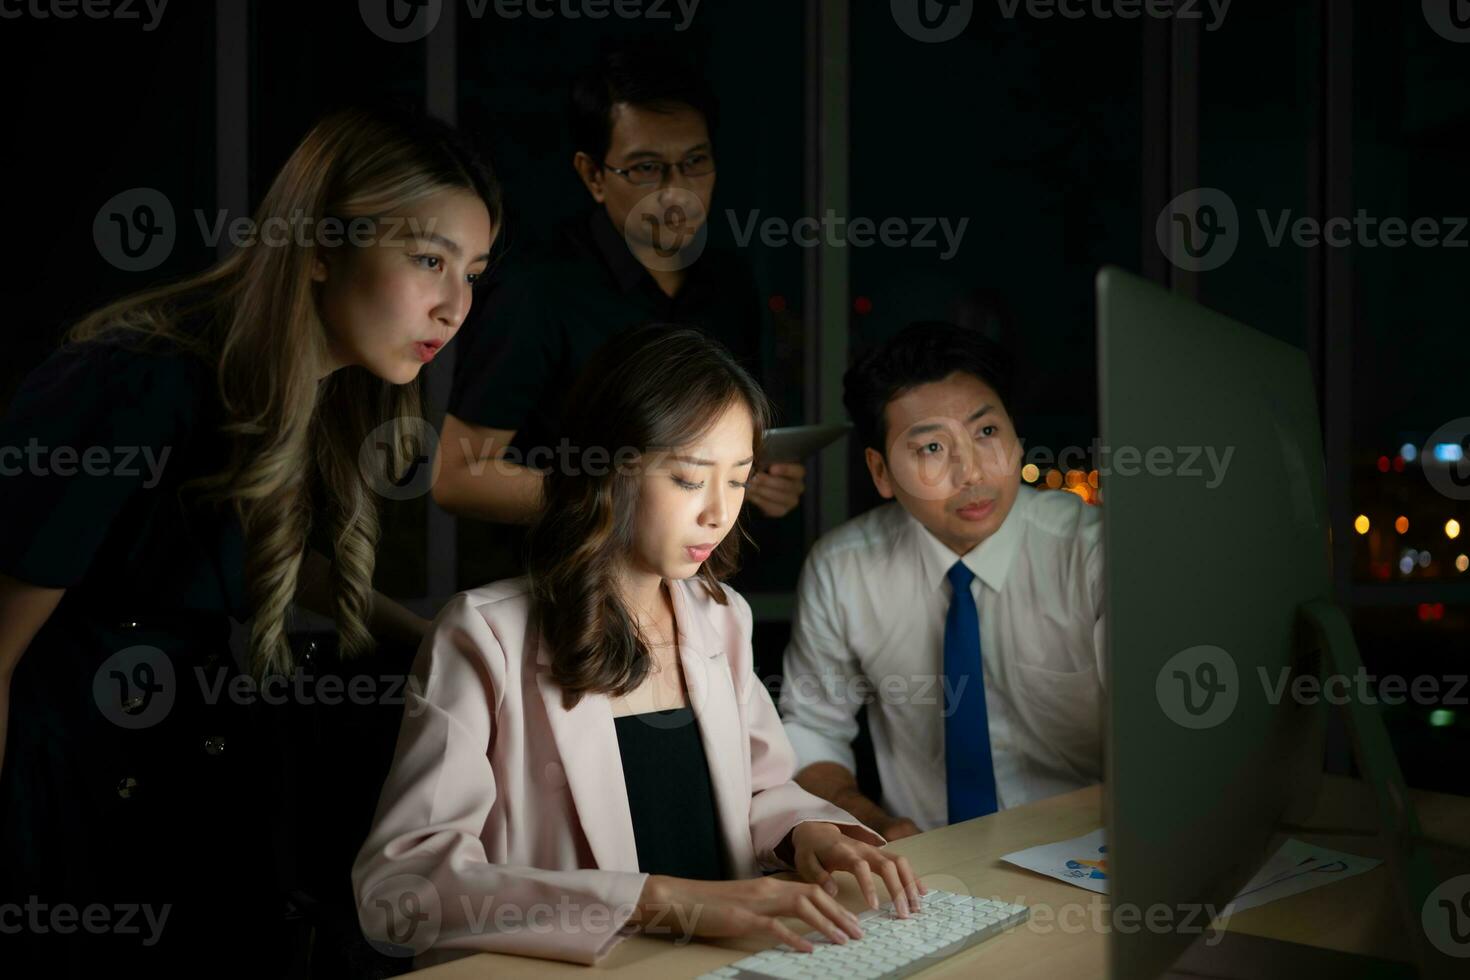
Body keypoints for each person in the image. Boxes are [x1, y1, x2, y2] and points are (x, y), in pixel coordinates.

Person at [0, 105, 500, 974]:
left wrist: (436, 641)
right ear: (317, 248)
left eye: (473, 272)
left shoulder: (325, 389)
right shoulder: (135, 382)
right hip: (62, 821)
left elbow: (240, 551)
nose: (454, 305)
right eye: (428, 260)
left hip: (184, 803)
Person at [353, 327, 923, 969]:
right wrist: (657, 900)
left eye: (738, 481)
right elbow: (402, 889)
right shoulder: (486, 636)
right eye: (687, 478)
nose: (719, 513)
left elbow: (760, 791)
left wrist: (810, 833)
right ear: (608, 469)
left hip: (732, 961)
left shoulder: (721, 617)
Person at [433, 40, 805, 560]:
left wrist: (758, 481)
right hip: (564, 592)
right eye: (646, 168)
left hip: (696, 593)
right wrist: (613, 502)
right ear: (592, 175)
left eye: (695, 162)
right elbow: (457, 477)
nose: (676, 191)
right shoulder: (539, 290)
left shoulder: (731, 283)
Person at [780, 321, 1104, 839]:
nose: (972, 472)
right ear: (881, 472)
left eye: (986, 433)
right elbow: (813, 730)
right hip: (924, 867)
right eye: (931, 448)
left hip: (1088, 857)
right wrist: (871, 822)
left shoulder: (1092, 552)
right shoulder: (844, 568)